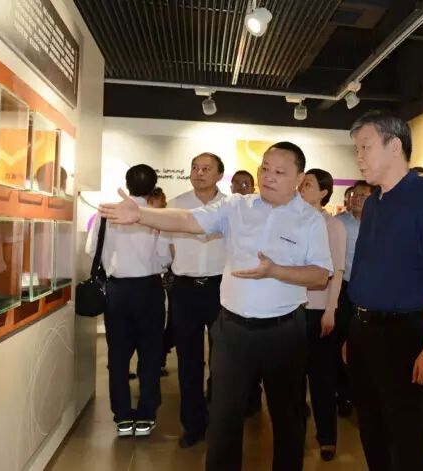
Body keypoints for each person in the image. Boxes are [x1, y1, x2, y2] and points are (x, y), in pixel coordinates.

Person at [99, 141, 333, 471]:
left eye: (279, 172)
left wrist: (275, 271)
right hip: (233, 330)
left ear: (299, 177)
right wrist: (142, 214)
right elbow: (188, 219)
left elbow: (320, 275)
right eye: (265, 168)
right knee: (224, 418)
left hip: (284, 331)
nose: (268, 176)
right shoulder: (236, 206)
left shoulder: (310, 220)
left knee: (287, 417)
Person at [345, 111, 423, 470]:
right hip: (364, 331)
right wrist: (354, 330)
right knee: (372, 431)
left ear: (394, 146)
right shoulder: (373, 204)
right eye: (356, 149)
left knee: (408, 442)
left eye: (365, 147)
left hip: (405, 335)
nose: (359, 157)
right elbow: (363, 271)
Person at [86, 164, 170, 437]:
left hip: (117, 291)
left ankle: (122, 417)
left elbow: (92, 251)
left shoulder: (106, 213)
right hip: (149, 289)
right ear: (153, 187)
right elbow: (165, 258)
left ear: (126, 182)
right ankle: (146, 415)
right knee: (150, 354)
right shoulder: (157, 216)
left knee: (118, 356)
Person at [168, 152, 226, 448]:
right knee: (188, 359)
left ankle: (220, 420)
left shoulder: (230, 207)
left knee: (223, 360)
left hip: (220, 289)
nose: (199, 173)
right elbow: (167, 246)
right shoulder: (176, 205)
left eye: (206, 168)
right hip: (185, 290)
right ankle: (193, 424)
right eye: (195, 167)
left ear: (219, 175)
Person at [299, 168, 346, 462]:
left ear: (323, 192)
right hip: (291, 311)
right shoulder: (290, 220)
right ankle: (294, 434)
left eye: (308, 184)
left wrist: (330, 310)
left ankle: (326, 437)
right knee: (291, 378)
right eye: (301, 183)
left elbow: (337, 271)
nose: (302, 188)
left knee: (322, 379)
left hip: (319, 311)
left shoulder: (333, 226)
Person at [333, 179, 372, 416]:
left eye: (363, 195)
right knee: (341, 341)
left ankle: (362, 394)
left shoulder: (381, 224)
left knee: (364, 345)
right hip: (343, 290)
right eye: (354, 194)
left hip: (371, 292)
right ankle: (343, 394)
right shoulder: (339, 223)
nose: (356, 198)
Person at [230, 170, 263, 417]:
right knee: (230, 354)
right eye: (237, 183)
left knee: (255, 354)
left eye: (246, 184)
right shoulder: (225, 211)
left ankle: (253, 396)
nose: (242, 187)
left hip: (256, 292)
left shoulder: (263, 214)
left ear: (253, 188)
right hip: (228, 293)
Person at [147, 187, 172, 378]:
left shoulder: (167, 226)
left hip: (160, 283)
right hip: (152, 283)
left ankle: (153, 365)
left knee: (160, 330)